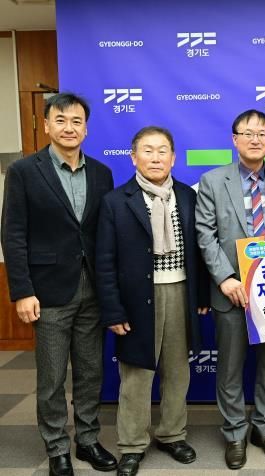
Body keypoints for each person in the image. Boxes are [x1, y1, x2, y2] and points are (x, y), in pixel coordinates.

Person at [1, 93, 116, 476]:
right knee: (51, 377)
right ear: (47, 125)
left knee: (90, 371)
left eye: (77, 121)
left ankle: (87, 440)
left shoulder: (101, 173)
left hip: (93, 288)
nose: (70, 128)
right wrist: (22, 291)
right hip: (48, 290)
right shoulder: (24, 171)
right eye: (61, 120)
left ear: (86, 128)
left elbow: (103, 233)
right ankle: (56, 447)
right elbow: (13, 234)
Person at [96, 126, 210, 476]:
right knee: (136, 375)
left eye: (163, 151)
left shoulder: (188, 196)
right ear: (134, 157)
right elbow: (104, 261)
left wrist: (202, 294)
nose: (156, 157)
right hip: (136, 299)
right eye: (148, 150)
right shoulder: (116, 201)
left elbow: (199, 250)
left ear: (173, 158)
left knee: (177, 372)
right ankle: (132, 444)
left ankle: (172, 434)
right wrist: (113, 309)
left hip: (180, 293)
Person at [195, 110, 265, 470]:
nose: (256, 139)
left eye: (263, 133)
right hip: (231, 291)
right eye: (248, 133)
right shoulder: (212, 180)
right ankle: (235, 432)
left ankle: (264, 428)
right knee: (230, 367)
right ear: (234, 139)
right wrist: (225, 278)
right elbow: (205, 235)